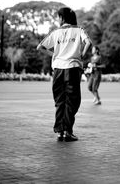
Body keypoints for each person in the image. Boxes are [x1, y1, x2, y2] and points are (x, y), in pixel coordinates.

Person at [37, 7, 92, 141]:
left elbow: (40, 47)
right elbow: (88, 43)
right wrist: (81, 56)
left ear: (62, 18)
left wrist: (55, 55)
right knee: (72, 100)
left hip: (58, 69)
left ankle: (60, 131)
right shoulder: (79, 30)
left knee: (60, 100)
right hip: (72, 68)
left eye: (58, 17)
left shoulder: (56, 32)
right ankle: (67, 131)